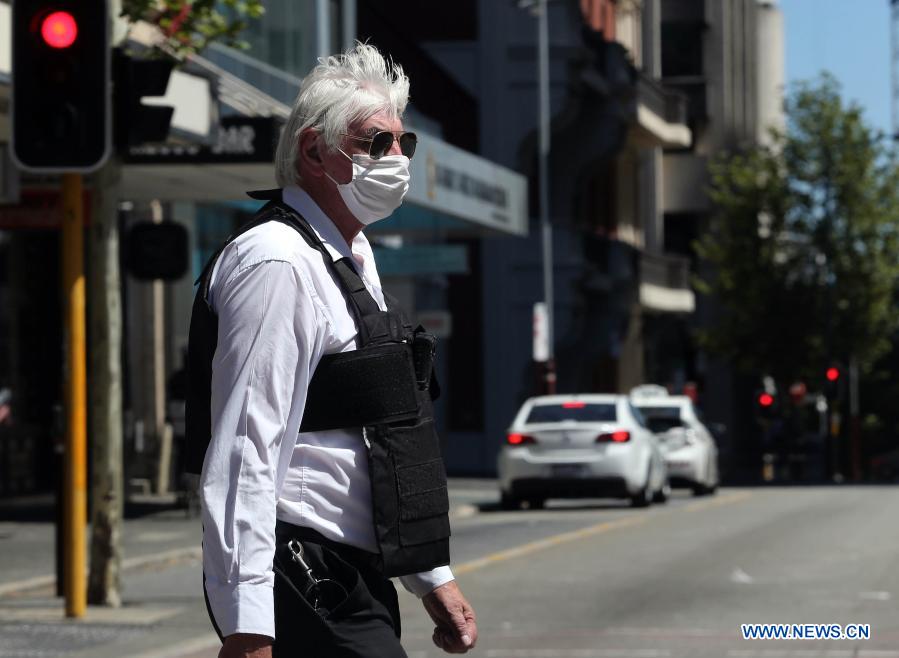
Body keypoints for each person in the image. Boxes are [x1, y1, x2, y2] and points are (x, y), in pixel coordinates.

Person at [187, 44, 478, 658]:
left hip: (353, 572)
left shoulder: (352, 258)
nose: (396, 159)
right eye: (376, 142)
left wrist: (431, 576)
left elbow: (380, 434)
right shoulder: (277, 262)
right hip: (303, 568)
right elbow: (245, 447)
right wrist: (247, 623)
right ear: (315, 151)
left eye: (403, 143)